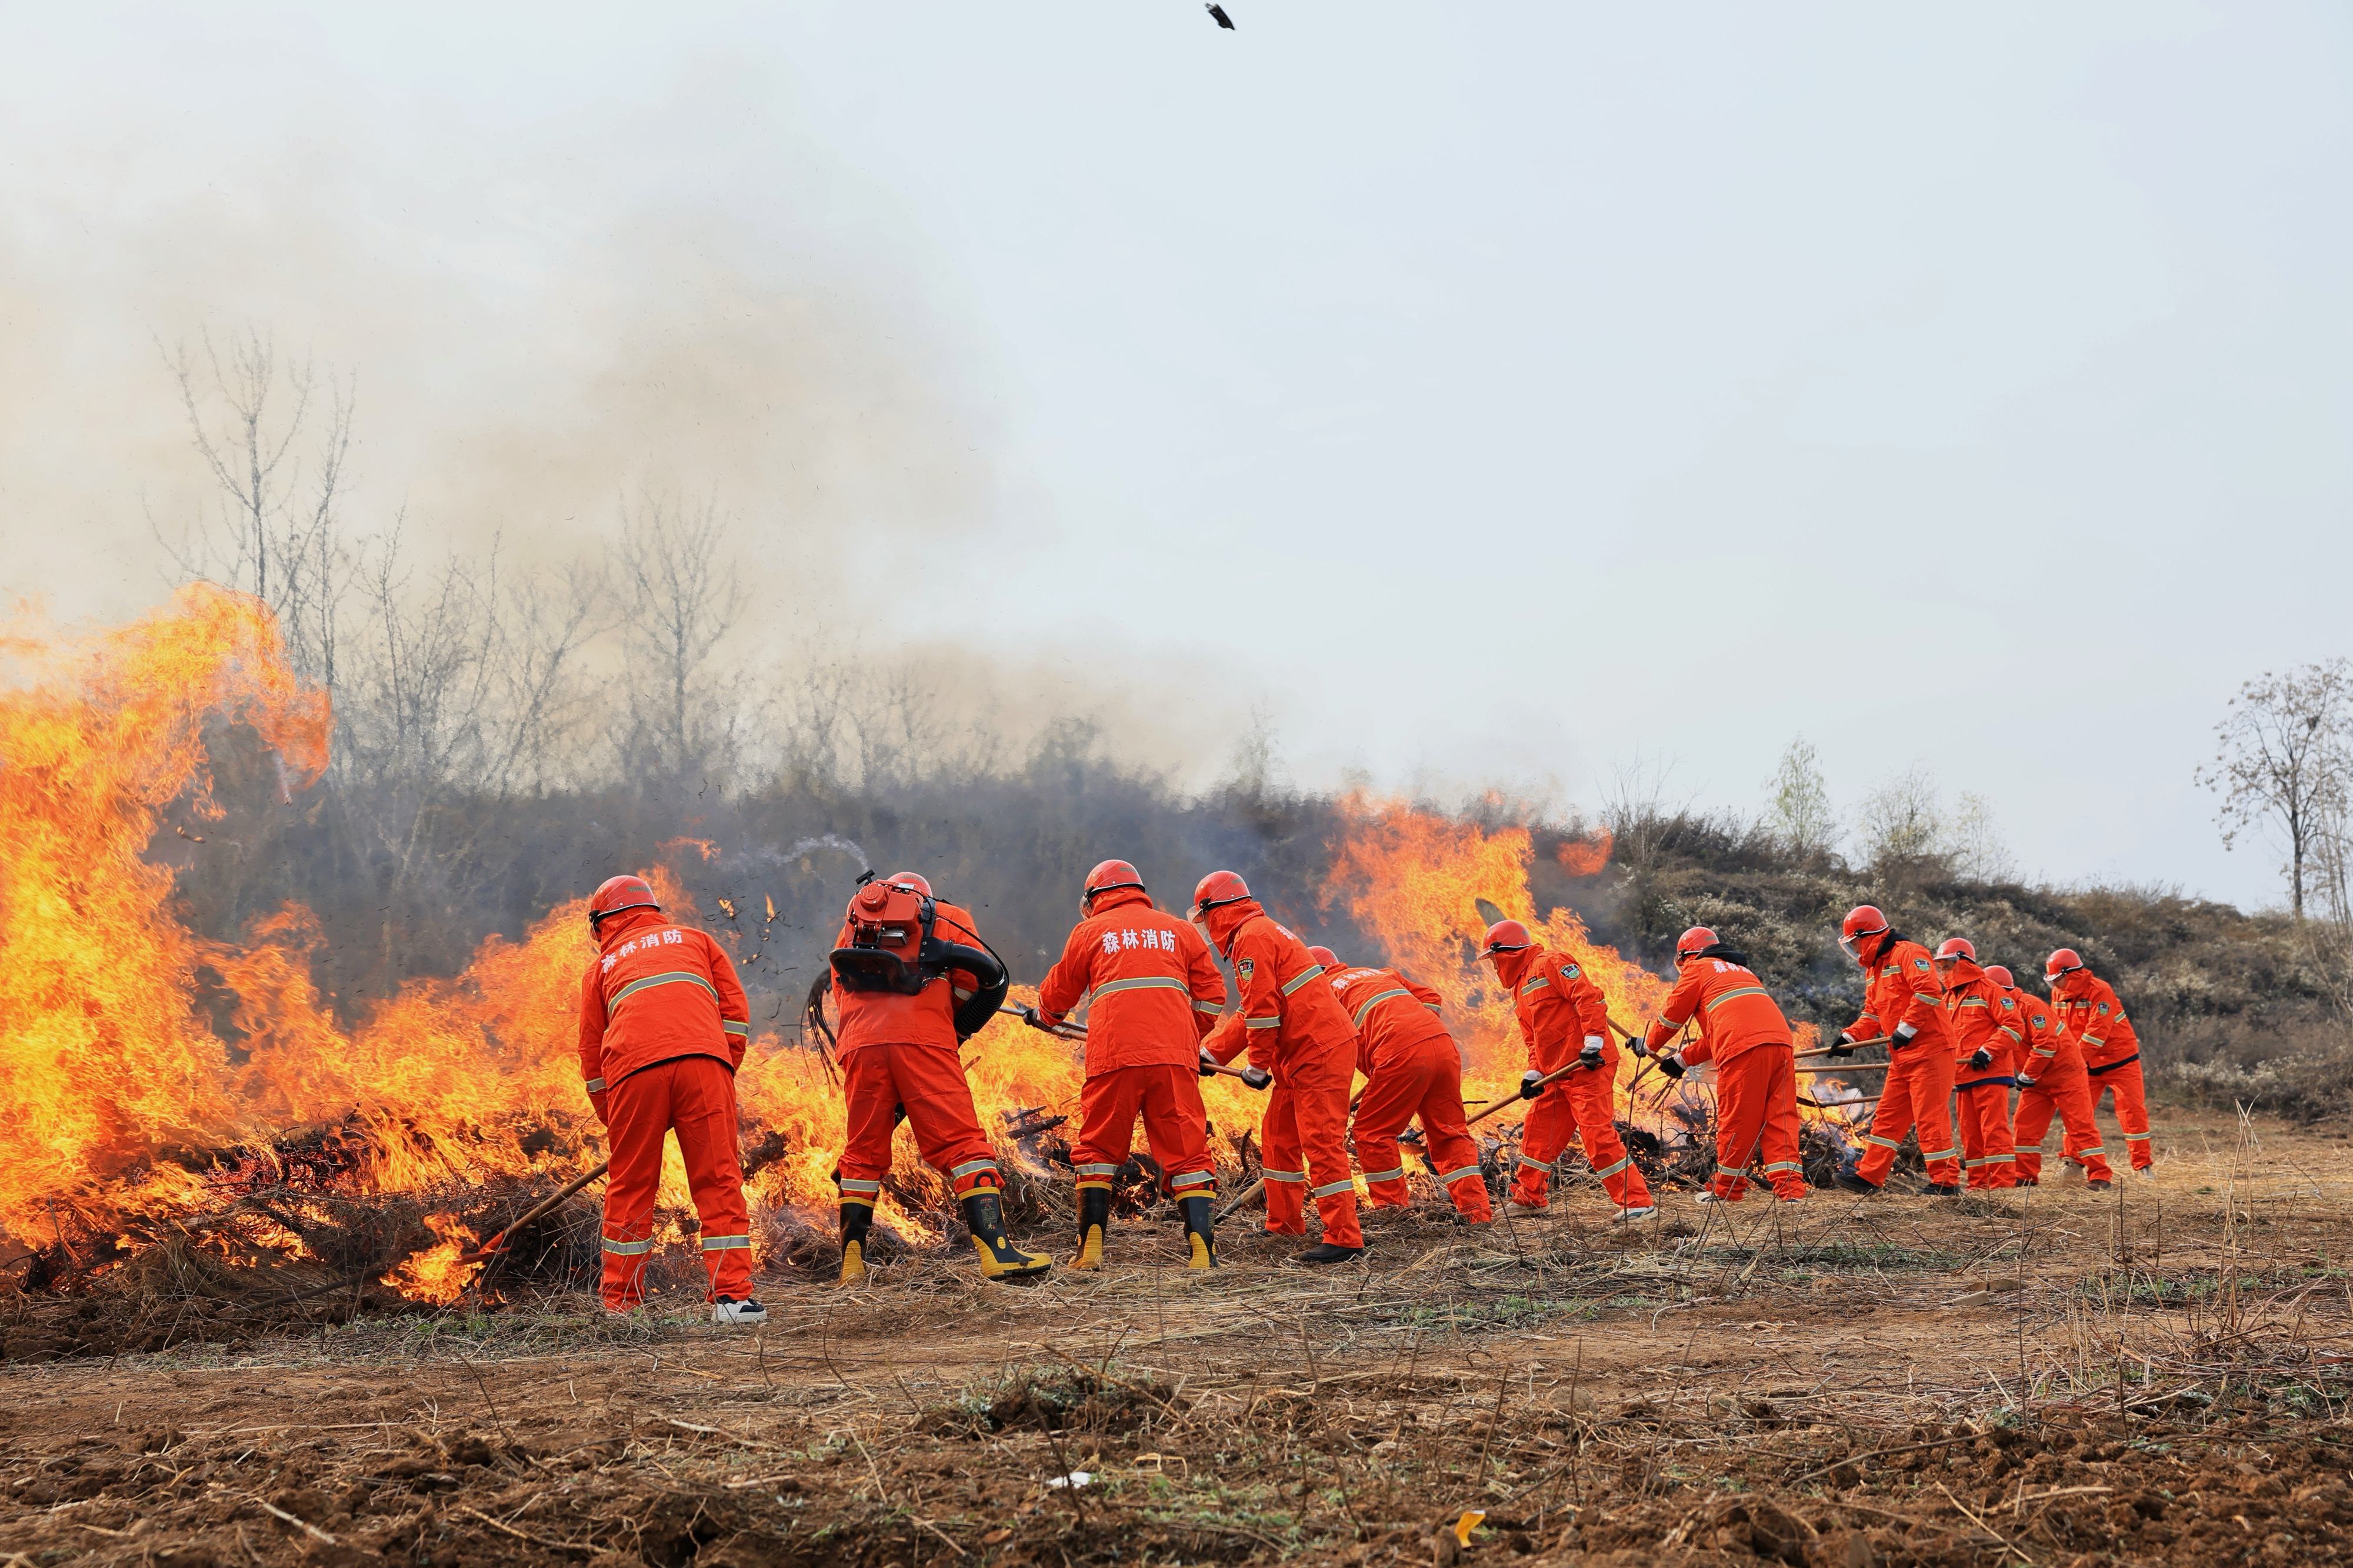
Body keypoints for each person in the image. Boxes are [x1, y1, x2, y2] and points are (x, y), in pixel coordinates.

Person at [828, 871, 1050, 1286]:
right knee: (963, 1145)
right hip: (924, 1042)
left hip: (860, 1046)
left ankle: (852, 1266)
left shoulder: (854, 924)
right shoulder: (950, 916)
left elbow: (841, 990)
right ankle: (998, 1253)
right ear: (926, 900)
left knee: (862, 1154)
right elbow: (978, 981)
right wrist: (952, 1023)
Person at [575, 875, 764, 1323]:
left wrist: (616, 1122)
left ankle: (622, 1306)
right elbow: (736, 1015)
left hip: (631, 1075)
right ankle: (733, 1300)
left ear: (602, 922)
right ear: (652, 910)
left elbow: (590, 1052)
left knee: (630, 1187)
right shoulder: (697, 940)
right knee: (719, 1181)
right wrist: (720, 1068)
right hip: (704, 1063)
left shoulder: (601, 968)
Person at [1032, 859, 1229, 1269]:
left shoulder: (1089, 932)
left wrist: (1045, 1017)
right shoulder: (1179, 930)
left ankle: (1089, 1254)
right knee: (1189, 1154)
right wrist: (1188, 1034)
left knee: (1099, 1152)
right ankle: (1203, 1255)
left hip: (1114, 1057)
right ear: (1139, 890)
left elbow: (1058, 994)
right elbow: (1213, 995)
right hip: (1174, 1059)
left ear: (1094, 899)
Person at [1195, 872, 1366, 1263]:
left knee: (1321, 1142)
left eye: (1204, 918)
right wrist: (1214, 1054)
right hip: (1303, 1055)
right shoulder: (1259, 930)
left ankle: (1344, 1239)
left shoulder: (1251, 938)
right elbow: (1251, 1010)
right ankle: (1285, 1224)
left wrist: (1256, 1065)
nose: (1206, 929)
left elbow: (1262, 1012)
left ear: (1215, 911)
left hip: (1318, 1051)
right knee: (1278, 1138)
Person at [1479, 920, 1655, 1220]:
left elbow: (1589, 999)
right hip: (1556, 1074)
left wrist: (1594, 1043)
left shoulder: (1551, 962)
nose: (1493, 966)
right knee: (1537, 1133)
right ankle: (1528, 1198)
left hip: (1588, 1066)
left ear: (1505, 952)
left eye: (1493, 958)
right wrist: (1534, 1074)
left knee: (1596, 1135)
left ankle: (1638, 1203)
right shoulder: (1520, 990)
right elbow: (1533, 1040)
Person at [1310, 946, 1493, 1226]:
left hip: (1398, 1055)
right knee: (1450, 1133)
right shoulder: (1379, 973)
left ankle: (1392, 1213)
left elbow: (1331, 1053)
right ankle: (1477, 1213)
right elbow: (1431, 998)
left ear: (1312, 973)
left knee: (1372, 1132)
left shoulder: (1320, 994)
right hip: (1442, 1045)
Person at [1637, 927, 1806, 1204]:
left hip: (1743, 1049)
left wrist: (1648, 1046)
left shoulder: (1698, 968)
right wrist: (1681, 1060)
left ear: (1687, 956)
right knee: (1780, 1119)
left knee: (1738, 1121)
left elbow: (1672, 1016)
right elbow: (1720, 1031)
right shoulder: (1742, 972)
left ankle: (1726, 1190)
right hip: (1781, 1045)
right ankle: (1791, 1194)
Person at [1829, 906, 1963, 1195]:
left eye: (1854, 942)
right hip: (1903, 1056)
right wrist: (1849, 1037)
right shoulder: (1874, 970)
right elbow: (1873, 1014)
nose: (1853, 949)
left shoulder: (1908, 953)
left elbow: (1928, 990)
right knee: (1887, 1118)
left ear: (1867, 936)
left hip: (1932, 1050)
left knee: (1930, 1119)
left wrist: (1907, 1029)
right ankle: (1870, 1177)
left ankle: (1946, 1183)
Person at [1985, 965, 2114, 1189]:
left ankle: (2100, 1177)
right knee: (2025, 1128)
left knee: (2080, 1127)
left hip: (2066, 1075)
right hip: (2036, 1080)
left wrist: (2028, 1074)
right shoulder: (1998, 1012)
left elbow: (2046, 1044)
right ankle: (2025, 1175)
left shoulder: (2030, 1005)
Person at [2046, 949, 2154, 1177]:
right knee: (2075, 1114)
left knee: (2132, 1112)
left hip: (2120, 1061)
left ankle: (2143, 1166)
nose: (2055, 985)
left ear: (2071, 974)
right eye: (2052, 981)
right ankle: (2072, 1162)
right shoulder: (2058, 993)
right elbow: (2059, 1030)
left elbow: (2097, 1033)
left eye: (2057, 979)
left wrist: (2072, 1063)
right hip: (2084, 1063)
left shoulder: (2100, 991)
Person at [1933, 938, 2019, 1190]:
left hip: (1990, 1073)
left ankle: (2002, 1186)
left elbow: (2014, 1027)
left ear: (1963, 962)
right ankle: (1979, 1185)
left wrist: (1988, 1052)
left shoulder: (1990, 990)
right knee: (1970, 1136)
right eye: (1941, 966)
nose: (1943, 971)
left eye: (1947, 965)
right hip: (1961, 1076)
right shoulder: (1947, 998)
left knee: (1994, 1131)